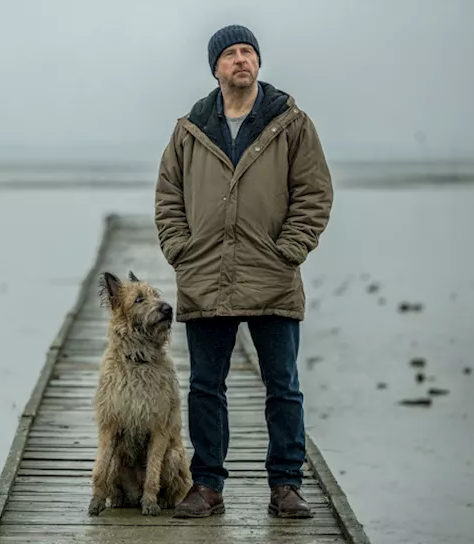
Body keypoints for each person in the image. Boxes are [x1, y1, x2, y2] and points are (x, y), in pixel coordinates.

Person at [153, 24, 334, 519]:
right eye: (230, 54)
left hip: (271, 274)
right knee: (206, 387)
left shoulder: (291, 122)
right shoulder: (190, 128)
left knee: (284, 386)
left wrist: (289, 249)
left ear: (258, 62)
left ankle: (286, 486)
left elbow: (314, 194)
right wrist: (180, 249)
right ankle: (207, 485)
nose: (240, 60)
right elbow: (168, 196)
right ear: (215, 68)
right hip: (205, 274)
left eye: (247, 52)